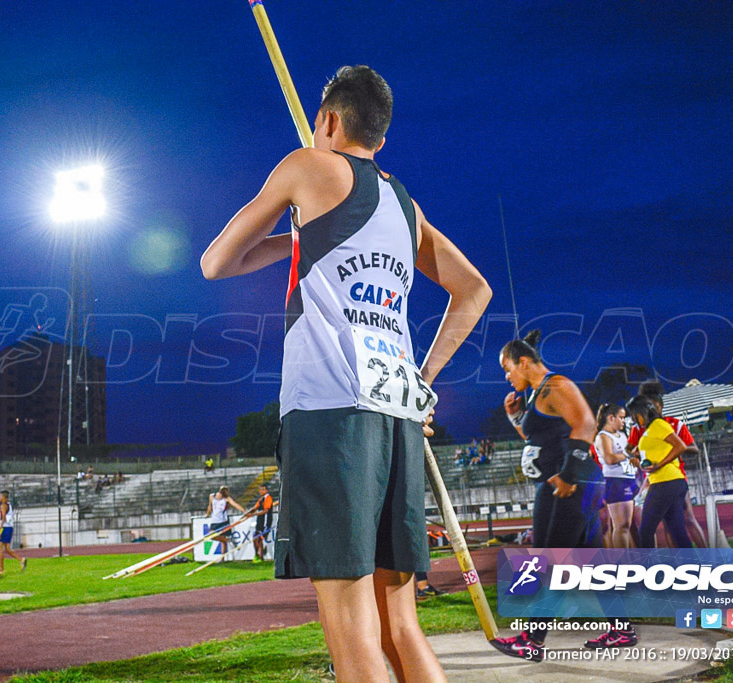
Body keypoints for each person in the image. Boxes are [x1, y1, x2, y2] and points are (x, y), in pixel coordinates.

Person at [200, 65, 491, 683]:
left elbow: (217, 262)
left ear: (328, 121)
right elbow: (474, 290)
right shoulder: (405, 206)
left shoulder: (308, 164)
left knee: (353, 635)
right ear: (379, 138)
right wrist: (426, 381)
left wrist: (297, 229)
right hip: (397, 416)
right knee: (401, 627)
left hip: (328, 413)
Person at [498, 331, 627, 659]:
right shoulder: (535, 394)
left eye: (507, 368)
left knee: (551, 559)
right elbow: (536, 437)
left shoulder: (557, 385)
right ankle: (621, 630)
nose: (507, 375)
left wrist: (570, 474)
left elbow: (584, 425)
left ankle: (533, 640)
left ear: (524, 362)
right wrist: (515, 416)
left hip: (573, 482)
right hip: (555, 483)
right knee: (589, 561)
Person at [626, 381, 707, 548]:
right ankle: (692, 569)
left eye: (635, 414)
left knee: (646, 531)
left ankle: (648, 571)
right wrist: (639, 458)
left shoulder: (660, 425)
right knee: (676, 530)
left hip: (665, 481)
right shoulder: (645, 429)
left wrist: (659, 464)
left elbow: (682, 446)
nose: (633, 418)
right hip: (669, 481)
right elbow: (637, 450)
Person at [594, 404, 638, 548]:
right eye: (621, 417)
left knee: (629, 525)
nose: (623, 421)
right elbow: (609, 458)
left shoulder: (622, 435)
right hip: (616, 481)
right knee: (621, 525)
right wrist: (627, 454)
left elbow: (626, 457)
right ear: (611, 418)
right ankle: (622, 563)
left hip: (629, 478)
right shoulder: (602, 436)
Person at [207, 486, 247, 557]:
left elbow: (235, 505)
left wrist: (244, 511)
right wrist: (208, 514)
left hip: (223, 521)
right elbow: (210, 506)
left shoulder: (227, 499)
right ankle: (229, 540)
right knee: (212, 536)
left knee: (222, 540)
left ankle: (222, 558)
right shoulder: (212, 496)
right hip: (214, 521)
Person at [0, 490, 26, 574]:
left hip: (4, 528)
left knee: (0, 549)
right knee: (8, 549)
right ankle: (22, 560)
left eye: (0, 496)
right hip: (10, 528)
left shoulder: (3, 506)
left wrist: (0, 530)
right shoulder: (9, 505)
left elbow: (4, 518)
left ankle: (1, 569)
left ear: (4, 497)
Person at [247, 484, 275, 562]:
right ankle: (258, 555)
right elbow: (255, 508)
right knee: (255, 538)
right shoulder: (261, 499)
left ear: (266, 490)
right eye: (260, 490)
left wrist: (252, 514)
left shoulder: (268, 498)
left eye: (263, 489)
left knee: (259, 539)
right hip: (259, 522)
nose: (261, 491)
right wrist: (247, 513)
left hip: (265, 522)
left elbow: (266, 511)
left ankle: (260, 557)